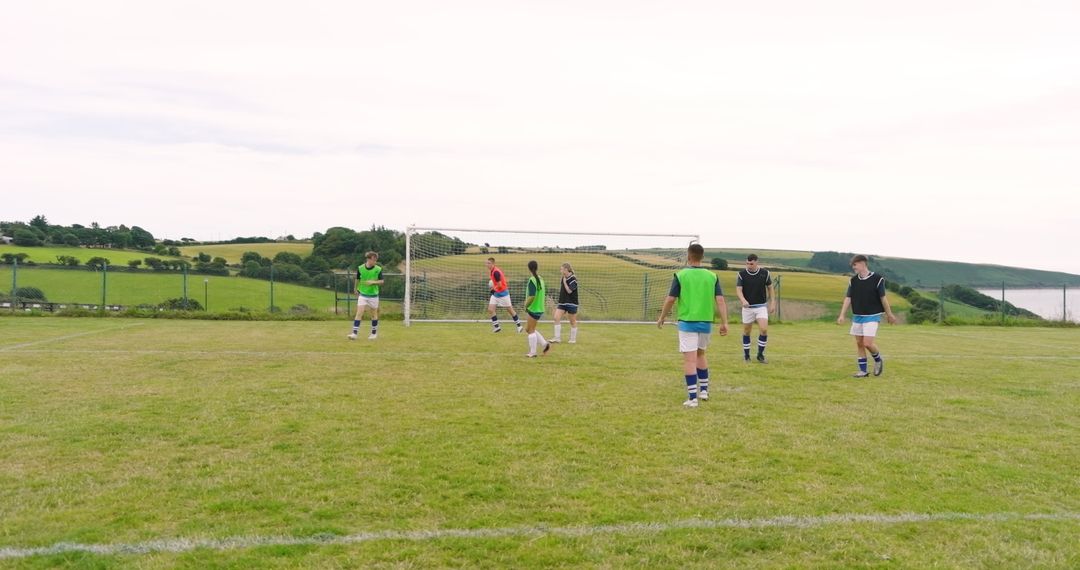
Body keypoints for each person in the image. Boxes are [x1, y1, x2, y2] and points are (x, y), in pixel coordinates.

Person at [656, 243, 729, 407]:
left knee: (689, 360)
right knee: (701, 355)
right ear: (702, 257)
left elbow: (670, 299)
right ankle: (703, 391)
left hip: (687, 323)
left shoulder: (681, 275)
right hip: (706, 323)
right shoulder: (712, 276)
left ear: (688, 257)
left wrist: (662, 317)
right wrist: (724, 322)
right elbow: (720, 300)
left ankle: (692, 398)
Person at [837, 254, 898, 377]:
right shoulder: (853, 281)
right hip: (857, 316)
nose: (853, 268)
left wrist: (889, 314)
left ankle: (878, 360)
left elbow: (883, 298)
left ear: (863, 263)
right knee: (859, 344)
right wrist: (842, 315)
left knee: (867, 343)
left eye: (855, 265)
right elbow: (848, 298)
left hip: (872, 315)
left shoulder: (878, 279)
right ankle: (863, 371)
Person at [736, 253, 775, 363]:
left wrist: (772, 303)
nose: (749, 265)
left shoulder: (765, 273)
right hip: (747, 308)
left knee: (763, 329)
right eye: (747, 263)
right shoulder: (741, 274)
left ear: (757, 262)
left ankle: (760, 355)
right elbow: (738, 290)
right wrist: (743, 300)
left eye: (751, 263)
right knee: (747, 332)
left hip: (761, 306)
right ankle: (747, 356)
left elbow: (770, 289)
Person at [348, 251, 384, 340]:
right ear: (368, 259)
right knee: (359, 313)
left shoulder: (378, 269)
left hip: (374, 295)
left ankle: (373, 334)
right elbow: (357, 279)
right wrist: (355, 288)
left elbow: (382, 281)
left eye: (376, 260)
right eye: (373, 260)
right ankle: (354, 334)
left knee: (373, 314)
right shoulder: (360, 268)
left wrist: (373, 282)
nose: (375, 262)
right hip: (363, 294)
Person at [486, 257, 523, 333]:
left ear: (493, 264)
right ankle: (497, 327)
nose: (487, 265)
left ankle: (519, 326)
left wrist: (493, 289)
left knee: (510, 310)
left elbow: (499, 284)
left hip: (503, 294)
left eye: (489, 263)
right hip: (496, 294)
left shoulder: (496, 272)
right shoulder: (492, 271)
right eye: (486, 263)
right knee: (490, 309)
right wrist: (494, 290)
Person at [523, 260, 552, 357]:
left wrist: (526, 305)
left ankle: (533, 352)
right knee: (528, 329)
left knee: (531, 330)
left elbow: (532, 296)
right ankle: (545, 344)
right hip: (540, 307)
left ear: (529, 269)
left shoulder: (532, 280)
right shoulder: (540, 279)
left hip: (534, 308)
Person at [551, 262, 579, 344]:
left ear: (566, 270)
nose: (560, 271)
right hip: (562, 303)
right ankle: (557, 338)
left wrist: (564, 282)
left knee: (572, 321)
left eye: (561, 269)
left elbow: (569, 291)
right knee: (556, 318)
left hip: (572, 303)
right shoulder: (563, 278)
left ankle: (573, 339)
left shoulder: (573, 279)